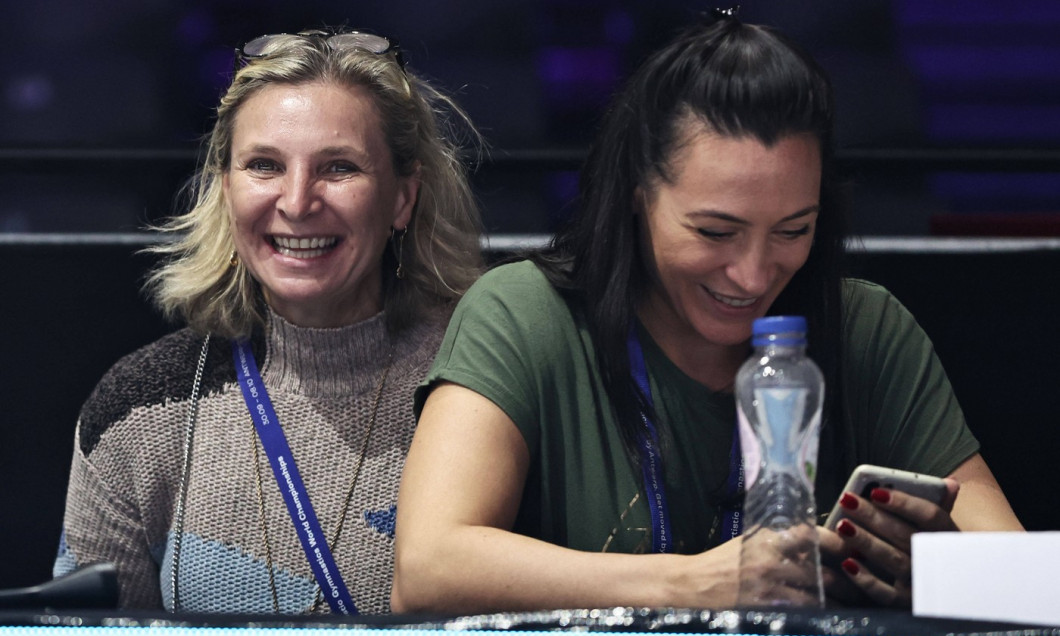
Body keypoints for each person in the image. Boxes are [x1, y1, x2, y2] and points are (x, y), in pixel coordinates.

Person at [391, 14, 1022, 613]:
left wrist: (939, 570)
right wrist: (694, 583)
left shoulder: (867, 329)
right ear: (638, 193)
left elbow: (1024, 581)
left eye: (793, 230)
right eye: (716, 231)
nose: (752, 274)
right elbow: (427, 569)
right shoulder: (525, 315)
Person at [53, 28, 483, 614]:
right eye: (264, 166)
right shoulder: (136, 411)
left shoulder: (485, 384)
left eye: (338, 167)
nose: (298, 201)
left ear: (403, 197)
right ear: (226, 189)